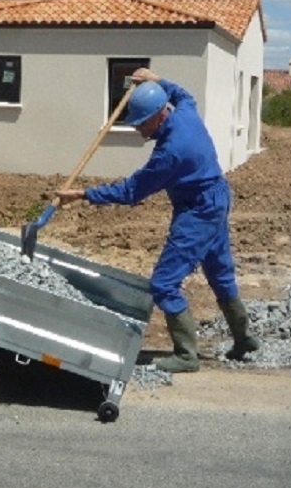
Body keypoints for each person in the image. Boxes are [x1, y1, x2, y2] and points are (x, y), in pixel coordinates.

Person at [56, 68, 261, 373]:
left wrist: (83, 194)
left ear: (159, 116)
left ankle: (187, 354)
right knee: (220, 273)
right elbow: (184, 94)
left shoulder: (171, 153)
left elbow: (130, 191)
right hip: (216, 197)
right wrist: (156, 80)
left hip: (198, 210)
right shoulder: (185, 112)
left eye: (141, 124)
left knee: (164, 283)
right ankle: (244, 338)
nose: (139, 130)